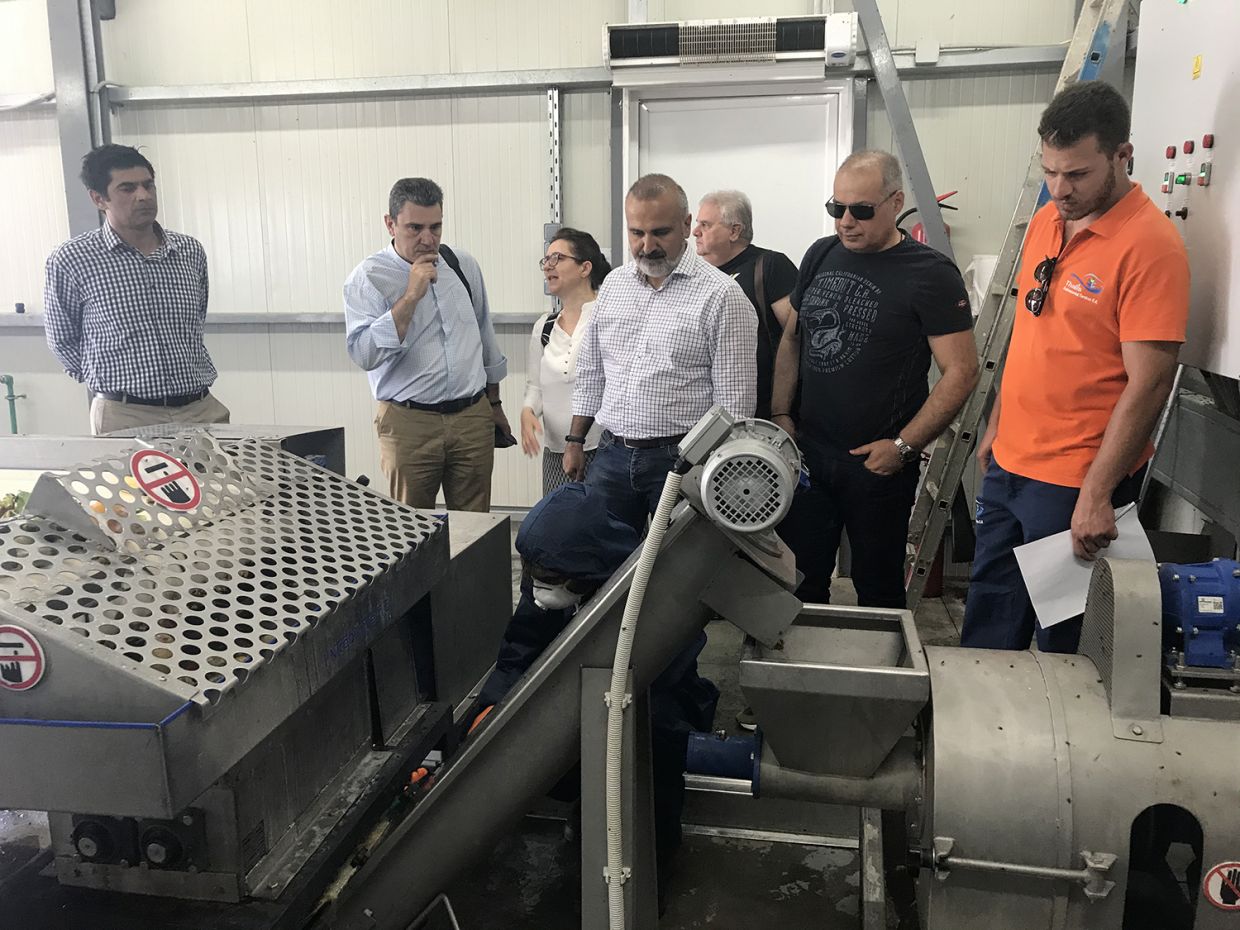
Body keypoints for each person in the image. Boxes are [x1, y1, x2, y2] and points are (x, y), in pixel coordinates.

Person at [960, 81, 1189, 654]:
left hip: (1072, 480)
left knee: (1067, 646)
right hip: (1011, 464)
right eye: (1050, 172)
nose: (1060, 188)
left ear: (1122, 155)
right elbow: (1031, 331)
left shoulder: (1150, 247)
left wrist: (1097, 492)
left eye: (1078, 174)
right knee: (988, 623)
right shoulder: (1048, 221)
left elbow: (1150, 383)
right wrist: (998, 424)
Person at [467, 482, 718, 908]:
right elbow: (519, 649)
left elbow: (675, 659)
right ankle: (584, 811)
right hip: (576, 697)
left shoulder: (648, 587)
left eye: (547, 578)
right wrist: (491, 708)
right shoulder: (551, 573)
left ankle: (652, 866)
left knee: (655, 749)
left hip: (649, 697)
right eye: (530, 571)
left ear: (585, 572)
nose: (536, 585)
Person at [771, 150, 979, 609]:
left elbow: (963, 372)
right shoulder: (821, 253)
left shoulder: (930, 274)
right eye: (837, 207)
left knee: (878, 591)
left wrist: (903, 447)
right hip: (809, 455)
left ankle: (878, 659)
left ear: (895, 202)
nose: (846, 222)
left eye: (861, 210)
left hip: (877, 465)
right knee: (799, 583)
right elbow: (793, 338)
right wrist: (781, 413)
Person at [565, 173, 757, 533]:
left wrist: (713, 471)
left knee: (680, 563)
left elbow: (734, 406)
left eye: (660, 232)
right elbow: (592, 370)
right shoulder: (614, 285)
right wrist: (576, 440)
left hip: (683, 461)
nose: (646, 245)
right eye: (636, 232)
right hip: (611, 455)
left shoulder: (722, 296)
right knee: (604, 557)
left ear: (686, 225)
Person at [344, 178, 512, 512]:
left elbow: (484, 334)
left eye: (435, 227)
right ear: (390, 224)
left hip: (472, 417)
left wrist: (494, 404)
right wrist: (410, 296)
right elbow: (364, 354)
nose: (427, 238)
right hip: (409, 422)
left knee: (476, 525)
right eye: (415, 228)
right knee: (411, 526)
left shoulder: (461, 265)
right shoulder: (369, 278)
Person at [43, 144, 230, 435]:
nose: (143, 195)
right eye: (127, 188)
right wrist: (107, 381)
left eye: (148, 185)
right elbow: (62, 338)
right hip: (125, 416)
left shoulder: (189, 251)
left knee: (221, 468)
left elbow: (196, 321)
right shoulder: (72, 259)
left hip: (200, 410)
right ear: (98, 198)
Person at [693, 190, 799, 419]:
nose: (695, 231)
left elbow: (796, 337)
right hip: (705, 413)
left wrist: (782, 411)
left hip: (762, 412)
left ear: (734, 231)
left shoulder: (770, 265)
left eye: (705, 225)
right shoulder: (695, 276)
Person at [520, 229, 610, 495]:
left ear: (585, 268)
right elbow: (535, 386)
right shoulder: (544, 326)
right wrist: (528, 411)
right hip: (556, 455)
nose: (548, 266)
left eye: (557, 258)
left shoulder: (608, 318)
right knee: (557, 519)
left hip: (603, 452)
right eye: (546, 260)